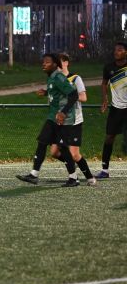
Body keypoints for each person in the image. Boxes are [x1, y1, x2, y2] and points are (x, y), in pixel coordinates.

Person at [16, 53, 81, 187]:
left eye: (47, 62)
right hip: (53, 117)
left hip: (63, 119)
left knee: (63, 148)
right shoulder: (51, 77)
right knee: (42, 142)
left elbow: (74, 95)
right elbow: (58, 92)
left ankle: (73, 178)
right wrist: (46, 92)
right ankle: (34, 175)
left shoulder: (59, 77)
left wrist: (63, 112)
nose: (43, 64)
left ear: (55, 64)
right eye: (43, 62)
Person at [46, 53, 95, 185]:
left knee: (74, 154)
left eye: (61, 62)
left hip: (74, 120)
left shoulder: (75, 78)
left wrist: (69, 94)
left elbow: (83, 97)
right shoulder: (55, 79)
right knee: (54, 152)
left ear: (67, 63)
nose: (58, 65)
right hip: (60, 121)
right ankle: (73, 173)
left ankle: (89, 178)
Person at [96, 41, 127, 179]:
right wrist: (105, 99)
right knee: (109, 137)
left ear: (126, 52)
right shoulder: (109, 67)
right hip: (116, 108)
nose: (116, 52)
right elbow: (104, 84)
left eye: (119, 50)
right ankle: (105, 170)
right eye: (115, 50)